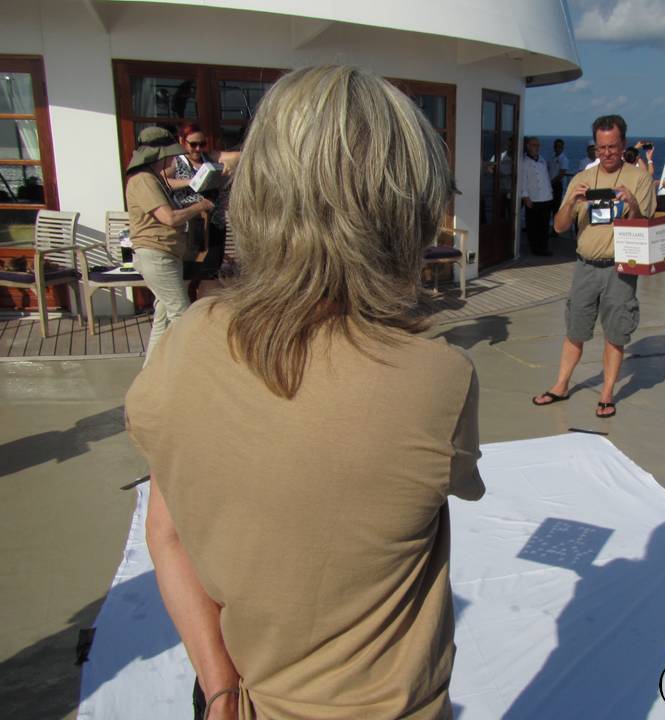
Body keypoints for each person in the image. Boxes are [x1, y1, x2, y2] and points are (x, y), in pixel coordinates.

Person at [127, 66, 485, 720]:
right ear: (399, 215)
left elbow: (168, 533)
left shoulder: (185, 347)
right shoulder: (439, 379)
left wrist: (221, 686)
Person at [532, 114, 656, 418]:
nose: (606, 154)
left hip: (620, 270)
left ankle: (606, 393)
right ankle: (561, 385)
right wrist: (572, 202)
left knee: (615, 333)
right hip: (585, 266)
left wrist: (633, 204)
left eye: (612, 147)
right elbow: (560, 227)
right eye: (601, 148)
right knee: (575, 329)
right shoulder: (581, 178)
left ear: (623, 143)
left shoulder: (639, 179)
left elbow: (645, 226)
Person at [124, 126, 214, 362]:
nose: (175, 158)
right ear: (158, 156)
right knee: (182, 315)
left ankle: (151, 373)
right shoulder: (143, 180)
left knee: (163, 319)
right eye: (171, 154)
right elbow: (168, 218)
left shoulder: (153, 179)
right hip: (156, 255)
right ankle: (187, 374)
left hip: (166, 254)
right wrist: (199, 207)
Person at [163, 122, 241, 295]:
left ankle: (205, 306)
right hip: (194, 224)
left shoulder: (210, 157)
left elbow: (240, 156)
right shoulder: (177, 161)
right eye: (193, 145)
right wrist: (190, 181)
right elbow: (160, 180)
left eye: (202, 144)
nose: (198, 149)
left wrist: (229, 166)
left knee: (211, 270)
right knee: (193, 270)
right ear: (182, 142)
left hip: (215, 222)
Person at [521, 136, 554, 256]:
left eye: (538, 145)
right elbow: (522, 180)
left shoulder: (542, 160)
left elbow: (546, 178)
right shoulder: (524, 162)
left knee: (544, 225)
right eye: (534, 145)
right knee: (533, 226)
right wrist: (525, 197)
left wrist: (550, 193)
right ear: (528, 146)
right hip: (533, 198)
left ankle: (544, 247)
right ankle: (535, 248)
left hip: (546, 197)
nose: (536, 148)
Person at [548, 138, 570, 223]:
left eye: (560, 147)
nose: (558, 148)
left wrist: (550, 183)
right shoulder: (552, 158)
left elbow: (561, 174)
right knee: (549, 207)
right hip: (550, 185)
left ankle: (556, 229)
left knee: (556, 208)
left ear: (563, 148)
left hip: (557, 186)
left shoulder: (564, 159)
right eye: (556, 146)